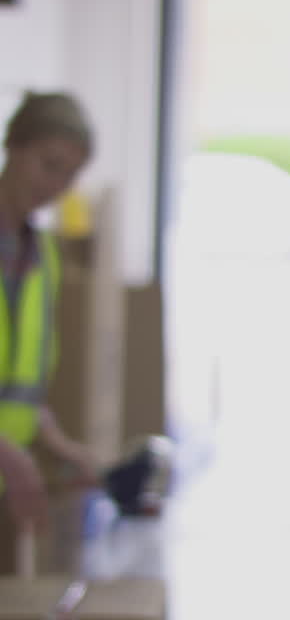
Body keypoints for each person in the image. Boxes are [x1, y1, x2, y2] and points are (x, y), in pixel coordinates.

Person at [0, 92, 99, 548]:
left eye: (72, 174)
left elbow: (20, 387)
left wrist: (58, 444)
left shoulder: (44, 258)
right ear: (14, 146)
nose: (57, 184)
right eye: (49, 163)